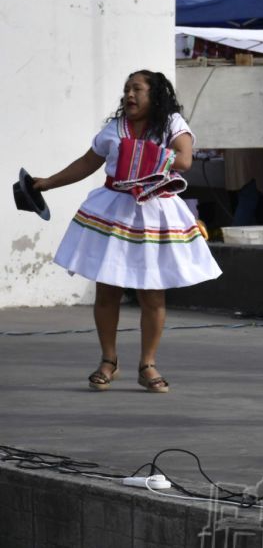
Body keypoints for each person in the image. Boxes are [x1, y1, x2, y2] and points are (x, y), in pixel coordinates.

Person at [34, 70, 221, 392]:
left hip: (155, 215)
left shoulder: (172, 124)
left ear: (155, 94)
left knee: (152, 292)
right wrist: (47, 183)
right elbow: (86, 163)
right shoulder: (114, 129)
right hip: (115, 212)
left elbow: (185, 160)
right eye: (126, 89)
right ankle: (109, 360)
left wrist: (141, 156)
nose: (129, 95)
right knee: (107, 291)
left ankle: (147, 364)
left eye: (137, 89)